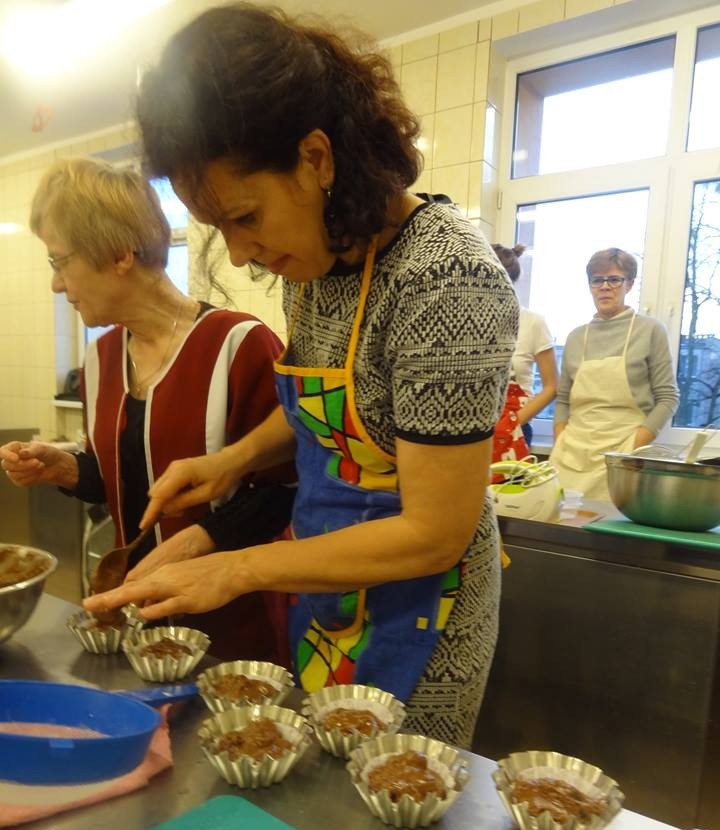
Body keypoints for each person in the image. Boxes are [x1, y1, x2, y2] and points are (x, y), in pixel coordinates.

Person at [84, 3, 519, 747]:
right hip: (327, 592)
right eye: (221, 229)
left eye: (246, 217)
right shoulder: (318, 262)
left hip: (424, 614)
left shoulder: (446, 280)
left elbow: (435, 533)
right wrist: (232, 461)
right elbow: (331, 406)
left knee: (390, 817)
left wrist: (237, 567)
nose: (243, 253)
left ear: (316, 159)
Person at [0, 157, 295, 661]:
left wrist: (195, 542)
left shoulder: (239, 345)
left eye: (58, 261)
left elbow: (284, 491)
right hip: (141, 626)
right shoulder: (101, 358)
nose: (55, 284)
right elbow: (122, 478)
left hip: (236, 629)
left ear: (118, 254)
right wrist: (68, 468)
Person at [549, 247, 679, 500]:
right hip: (571, 454)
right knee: (560, 528)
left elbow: (668, 397)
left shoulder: (650, 330)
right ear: (590, 286)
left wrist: (633, 446)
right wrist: (560, 438)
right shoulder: (576, 337)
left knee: (610, 533)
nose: (605, 287)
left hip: (624, 454)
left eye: (615, 279)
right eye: (597, 280)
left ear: (629, 284)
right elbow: (563, 398)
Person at [490, 243, 557, 468]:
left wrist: (514, 421)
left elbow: (551, 387)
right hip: (474, 427)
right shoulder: (467, 323)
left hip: (515, 427)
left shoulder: (533, 322)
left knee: (511, 498)